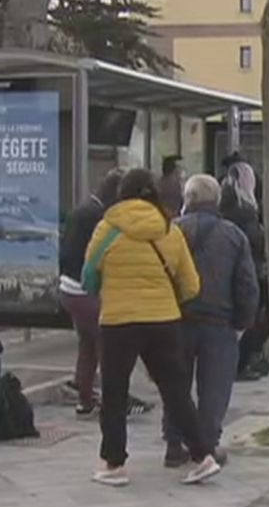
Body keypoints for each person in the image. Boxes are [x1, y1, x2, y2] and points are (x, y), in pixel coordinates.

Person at [81, 168, 219, 486]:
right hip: (163, 320)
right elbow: (191, 285)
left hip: (119, 322)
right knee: (175, 390)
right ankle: (202, 455)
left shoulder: (108, 228)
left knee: (114, 393)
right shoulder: (170, 230)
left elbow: (89, 277)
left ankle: (114, 465)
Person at [164, 175, 259, 468]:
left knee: (176, 385)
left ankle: (174, 443)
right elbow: (246, 284)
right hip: (219, 322)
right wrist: (243, 320)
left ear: (187, 199)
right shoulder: (232, 235)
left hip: (176, 320)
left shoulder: (170, 232)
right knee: (214, 388)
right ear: (216, 200)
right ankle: (206, 445)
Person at [59, 169, 153, 417]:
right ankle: (115, 400)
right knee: (107, 344)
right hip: (84, 290)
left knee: (88, 344)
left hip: (68, 289)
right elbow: (100, 257)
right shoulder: (101, 218)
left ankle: (85, 399)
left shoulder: (83, 210)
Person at [222, 162, 269, 381]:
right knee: (251, 317)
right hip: (249, 268)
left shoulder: (225, 204)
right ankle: (241, 363)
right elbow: (254, 240)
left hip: (230, 269)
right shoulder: (246, 209)